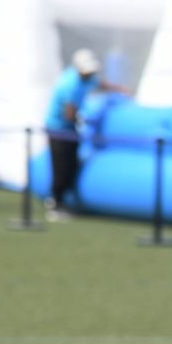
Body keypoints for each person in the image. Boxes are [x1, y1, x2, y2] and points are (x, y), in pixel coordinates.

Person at [43, 48, 124, 220]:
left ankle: (65, 201)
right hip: (59, 129)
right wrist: (84, 121)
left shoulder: (89, 78)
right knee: (61, 166)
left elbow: (101, 84)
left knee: (72, 164)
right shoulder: (69, 84)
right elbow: (69, 114)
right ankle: (55, 204)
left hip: (69, 129)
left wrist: (122, 90)